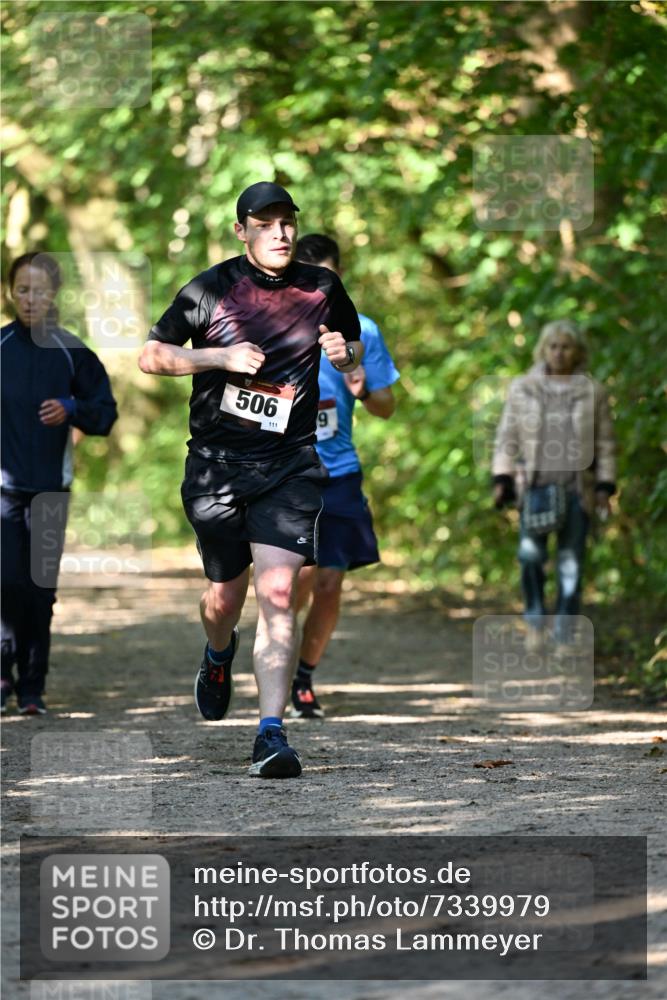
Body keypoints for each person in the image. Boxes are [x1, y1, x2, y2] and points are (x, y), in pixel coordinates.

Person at [138, 182, 363, 778]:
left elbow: (352, 349)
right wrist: (219, 358)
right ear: (242, 230)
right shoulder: (212, 288)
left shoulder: (322, 286)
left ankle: (271, 732)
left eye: (287, 221)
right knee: (223, 601)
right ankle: (217, 655)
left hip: (290, 465)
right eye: (265, 223)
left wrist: (345, 355)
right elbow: (151, 355)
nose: (280, 233)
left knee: (281, 594)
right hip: (216, 466)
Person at [1, 252, 118, 715]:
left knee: (40, 590)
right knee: (6, 582)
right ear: (12, 293)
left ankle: (32, 688)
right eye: (22, 290)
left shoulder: (73, 352)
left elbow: (105, 413)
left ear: (55, 295)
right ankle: (3, 675)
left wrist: (72, 409)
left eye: (40, 290)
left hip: (51, 488)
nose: (31, 298)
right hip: (3, 490)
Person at [290, 235, 400, 719]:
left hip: (339, 473)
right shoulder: (273, 326)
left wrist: (363, 388)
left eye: (328, 281)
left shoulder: (364, 332)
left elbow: (386, 407)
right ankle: (272, 660)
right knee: (295, 583)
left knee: (329, 583)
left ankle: (303, 678)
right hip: (285, 472)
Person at [492, 319, 616, 647]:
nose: (559, 353)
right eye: (553, 346)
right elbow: (508, 435)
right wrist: (502, 477)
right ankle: (535, 623)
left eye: (566, 347)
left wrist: (605, 486)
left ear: (577, 352)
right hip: (533, 487)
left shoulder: (594, 392)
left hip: (577, 489)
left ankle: (564, 635)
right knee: (530, 557)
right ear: (543, 349)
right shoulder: (523, 388)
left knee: (570, 564)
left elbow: (605, 443)